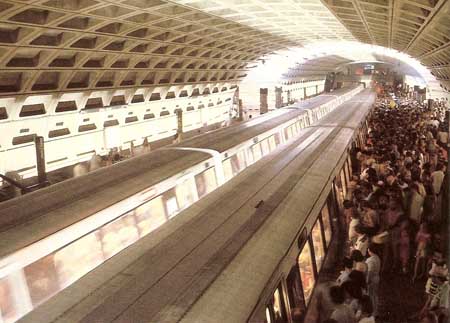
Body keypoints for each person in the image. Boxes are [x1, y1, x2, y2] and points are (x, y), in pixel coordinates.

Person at [365, 243, 381, 317]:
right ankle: (376, 311)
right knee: (375, 295)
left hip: (372, 280)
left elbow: (369, 272)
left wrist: (367, 281)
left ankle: (373, 312)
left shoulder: (370, 260)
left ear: (370, 250)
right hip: (377, 278)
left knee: (371, 296)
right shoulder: (377, 257)